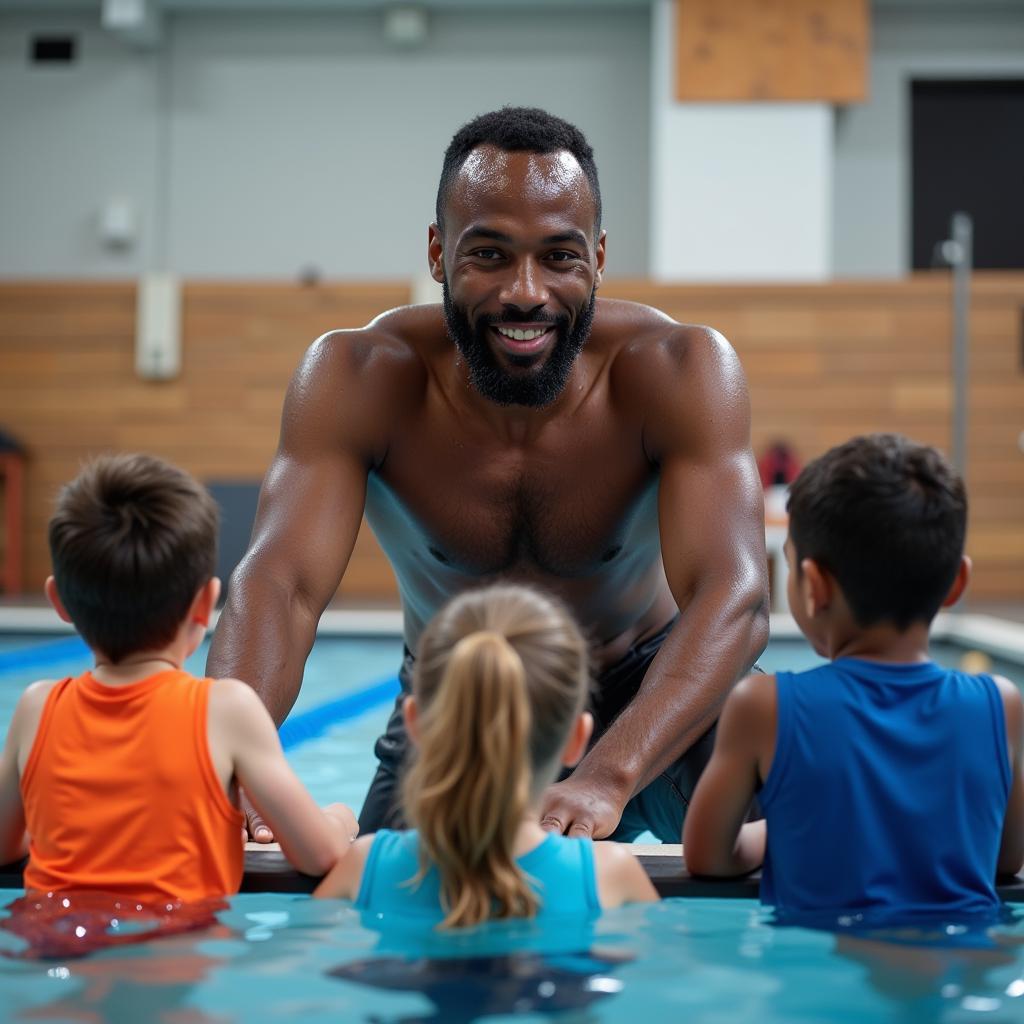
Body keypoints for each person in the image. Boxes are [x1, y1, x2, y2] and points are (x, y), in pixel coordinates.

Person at [208, 106, 769, 844]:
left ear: (599, 258)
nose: (525, 292)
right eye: (490, 255)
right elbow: (280, 584)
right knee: (386, 923)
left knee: (785, 878)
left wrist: (608, 775)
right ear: (438, 254)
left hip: (644, 686)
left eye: (559, 257)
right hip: (451, 697)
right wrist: (223, 754)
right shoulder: (359, 378)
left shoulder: (675, 371)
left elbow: (735, 596)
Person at [682, 433, 1024, 919]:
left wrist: (772, 833)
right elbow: (1006, 859)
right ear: (956, 584)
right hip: (958, 968)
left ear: (814, 586)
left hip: (820, 975)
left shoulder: (764, 705)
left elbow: (709, 858)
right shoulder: (999, 704)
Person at [0, 453, 357, 901]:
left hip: (51, 946)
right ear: (206, 604)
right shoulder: (226, 711)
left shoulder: (37, 708)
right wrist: (342, 818)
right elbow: (318, 855)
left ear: (59, 602)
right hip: (176, 957)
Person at [313, 583, 657, 924]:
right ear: (576, 738)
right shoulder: (610, 876)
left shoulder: (367, 868)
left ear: (415, 724)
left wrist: (337, 820)